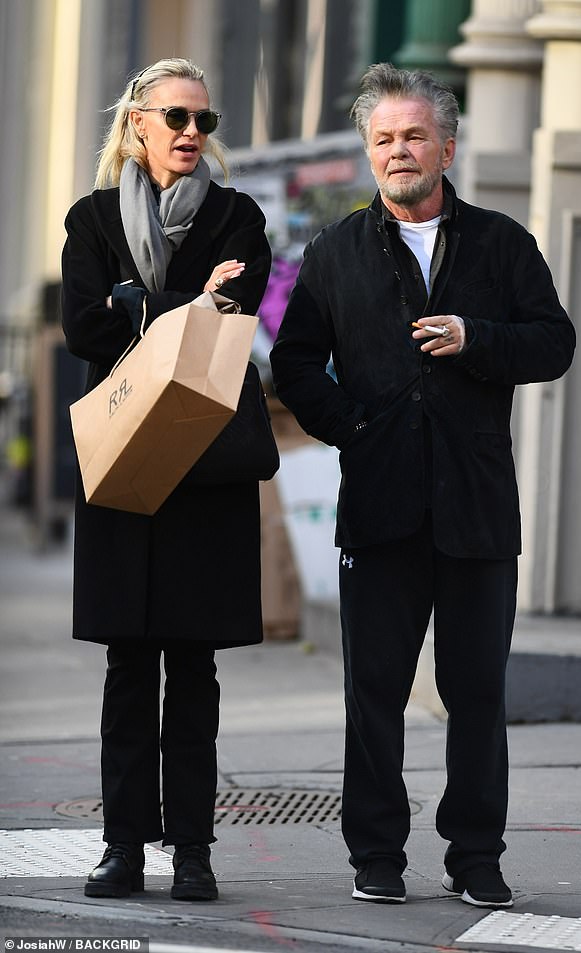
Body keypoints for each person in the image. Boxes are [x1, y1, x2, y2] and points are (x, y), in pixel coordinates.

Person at [270, 63, 575, 909]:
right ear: (370, 154)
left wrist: (477, 336)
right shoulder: (333, 251)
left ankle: (475, 854)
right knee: (373, 692)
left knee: (476, 690)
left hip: (477, 506)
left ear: (447, 144)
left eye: (412, 136)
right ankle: (376, 853)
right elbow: (293, 362)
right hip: (381, 503)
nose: (398, 151)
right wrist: (354, 427)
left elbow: (554, 342)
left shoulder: (502, 243)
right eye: (383, 139)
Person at [61, 58, 271, 902]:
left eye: (204, 122)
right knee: (125, 666)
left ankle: (192, 850)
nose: (192, 134)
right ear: (136, 125)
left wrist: (135, 303)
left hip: (206, 465)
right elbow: (79, 325)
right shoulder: (91, 217)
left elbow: (239, 315)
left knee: (194, 668)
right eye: (176, 118)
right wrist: (181, 302)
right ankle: (121, 846)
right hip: (120, 461)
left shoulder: (237, 216)